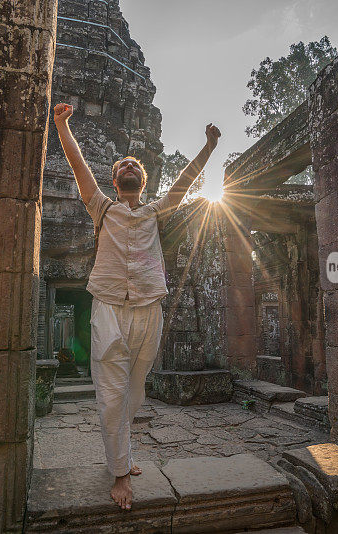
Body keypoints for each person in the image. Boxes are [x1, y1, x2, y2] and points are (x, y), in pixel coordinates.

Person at [52, 102, 221, 510]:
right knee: (111, 393)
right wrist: (62, 124)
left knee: (134, 390)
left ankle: (122, 451)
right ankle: (121, 473)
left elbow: (185, 180)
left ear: (142, 181)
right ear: (114, 180)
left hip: (149, 308)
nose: (129, 165)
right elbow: (77, 166)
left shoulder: (155, 210)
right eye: (122, 164)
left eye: (135, 164)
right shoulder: (101, 207)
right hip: (108, 307)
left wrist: (209, 146)